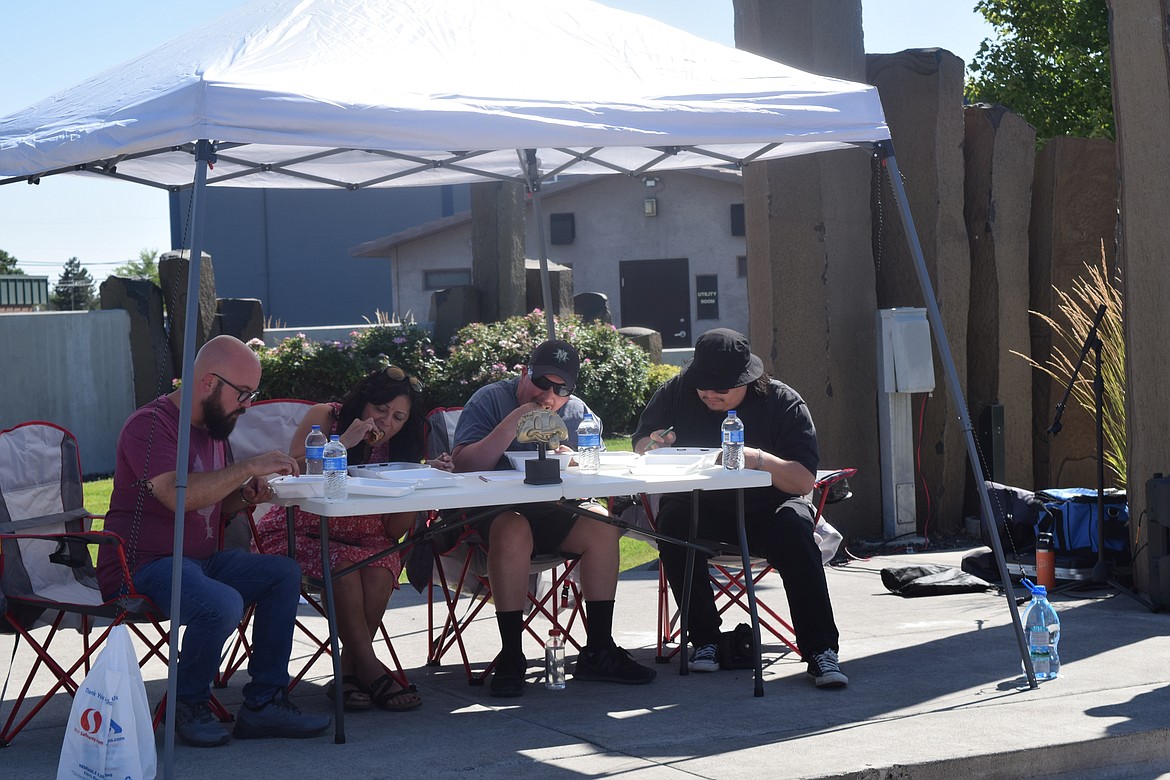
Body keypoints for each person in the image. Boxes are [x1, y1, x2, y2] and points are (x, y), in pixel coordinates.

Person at [96, 335, 331, 748]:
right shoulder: (151, 425)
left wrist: (246, 494)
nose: (246, 404)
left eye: (252, 394)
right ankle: (186, 705)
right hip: (140, 566)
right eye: (243, 394)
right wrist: (249, 466)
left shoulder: (214, 429)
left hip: (197, 561)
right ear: (208, 382)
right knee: (221, 602)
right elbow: (174, 495)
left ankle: (264, 703)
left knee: (282, 572)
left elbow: (213, 506)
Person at [631, 328, 847, 688]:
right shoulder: (678, 392)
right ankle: (705, 639)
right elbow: (640, 445)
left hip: (768, 509)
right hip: (701, 507)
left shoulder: (782, 402)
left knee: (795, 529)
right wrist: (652, 445)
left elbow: (803, 481)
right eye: (703, 385)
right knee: (673, 521)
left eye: (721, 388)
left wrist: (760, 460)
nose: (710, 394)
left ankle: (821, 649)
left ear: (748, 379)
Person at [449, 338, 657, 697]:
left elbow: (599, 471)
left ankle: (599, 648)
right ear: (524, 373)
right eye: (541, 381)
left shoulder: (577, 413)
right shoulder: (491, 399)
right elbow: (465, 465)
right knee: (513, 527)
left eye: (560, 388)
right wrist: (514, 422)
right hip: (496, 516)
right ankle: (512, 655)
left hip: (556, 512)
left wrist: (573, 458)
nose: (548, 394)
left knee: (602, 525)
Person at [254, 366, 452, 712]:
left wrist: (421, 480)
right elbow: (289, 469)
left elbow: (392, 532)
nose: (386, 421)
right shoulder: (327, 418)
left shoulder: (401, 450)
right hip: (303, 529)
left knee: (379, 566)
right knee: (344, 566)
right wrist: (342, 443)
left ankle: (348, 673)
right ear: (364, 403)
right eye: (380, 410)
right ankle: (371, 669)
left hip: (368, 538)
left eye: (398, 417)